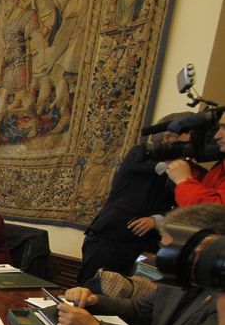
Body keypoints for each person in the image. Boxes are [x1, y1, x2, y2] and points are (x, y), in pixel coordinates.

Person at [57, 204, 225, 325]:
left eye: (168, 248)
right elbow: (141, 310)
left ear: (202, 251)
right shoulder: (179, 278)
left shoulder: (220, 295)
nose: (162, 256)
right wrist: (94, 301)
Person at [77, 113, 193, 284]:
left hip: (145, 247)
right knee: (90, 289)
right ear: (169, 135)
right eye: (189, 133)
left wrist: (156, 219)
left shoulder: (184, 171)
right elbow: (159, 168)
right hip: (109, 238)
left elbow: (185, 207)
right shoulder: (140, 152)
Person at [166, 110, 225, 206]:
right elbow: (208, 188)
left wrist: (183, 181)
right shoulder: (221, 165)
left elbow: (214, 213)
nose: (216, 136)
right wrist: (184, 167)